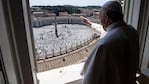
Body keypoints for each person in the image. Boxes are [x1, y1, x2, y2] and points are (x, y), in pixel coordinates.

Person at [80, 1, 139, 84]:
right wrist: (90, 24)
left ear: (107, 17)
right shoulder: (132, 31)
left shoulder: (105, 44)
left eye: (100, 17)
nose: (100, 20)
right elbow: (104, 30)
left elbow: (91, 78)